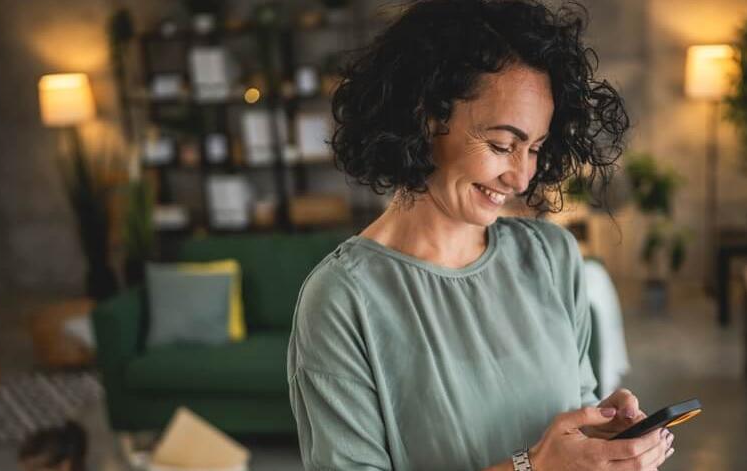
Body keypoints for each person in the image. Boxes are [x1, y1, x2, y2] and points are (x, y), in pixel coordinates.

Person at [287, 1, 675, 469]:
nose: (521, 178)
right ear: (427, 116)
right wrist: (533, 467)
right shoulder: (342, 299)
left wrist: (601, 440)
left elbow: (577, 410)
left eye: (534, 149)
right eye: (501, 145)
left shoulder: (552, 257)